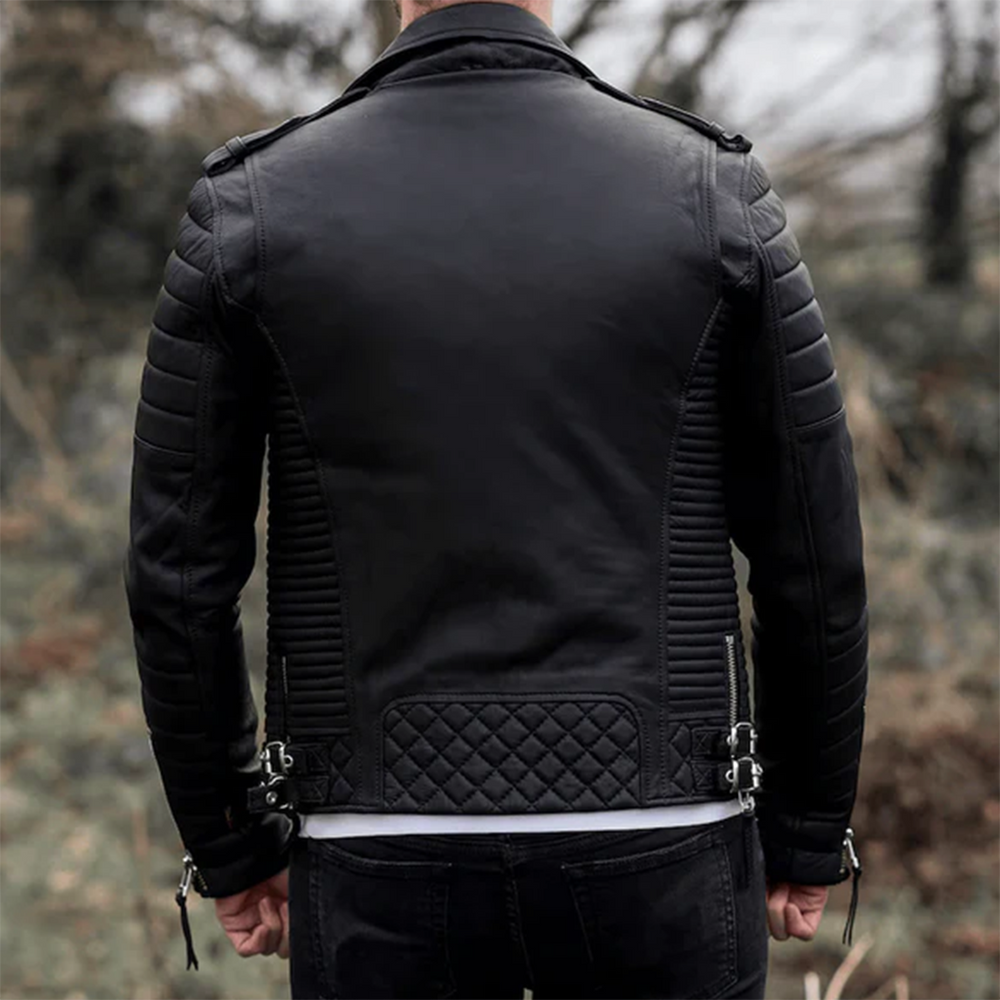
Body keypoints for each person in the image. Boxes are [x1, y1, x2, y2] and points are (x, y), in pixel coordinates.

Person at [124, 1, 869, 997]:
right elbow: (813, 556)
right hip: (664, 840)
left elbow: (178, 576)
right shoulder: (712, 192)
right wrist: (806, 827)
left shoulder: (253, 204)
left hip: (374, 849)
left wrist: (232, 839)